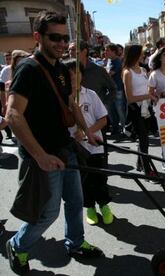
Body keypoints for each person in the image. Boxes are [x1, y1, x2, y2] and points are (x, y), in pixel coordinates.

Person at [5, 11, 103, 275]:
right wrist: (39, 156)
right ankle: (17, 245)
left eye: (64, 37)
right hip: (43, 155)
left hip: (65, 147)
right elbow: (13, 114)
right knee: (48, 213)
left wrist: (87, 130)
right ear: (38, 37)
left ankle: (75, 242)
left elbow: (71, 104)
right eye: (54, 38)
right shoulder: (29, 69)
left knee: (75, 200)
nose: (61, 43)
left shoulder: (60, 68)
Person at [64, 59, 113, 225]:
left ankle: (104, 206)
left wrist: (87, 131)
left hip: (94, 145)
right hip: (75, 149)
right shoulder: (62, 98)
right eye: (68, 74)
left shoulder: (90, 94)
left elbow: (103, 119)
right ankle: (90, 208)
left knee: (99, 179)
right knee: (83, 182)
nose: (72, 77)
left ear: (81, 76)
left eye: (75, 73)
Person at [122, 44, 157, 175]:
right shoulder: (127, 72)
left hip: (146, 108)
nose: (144, 55)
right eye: (142, 53)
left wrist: (153, 95)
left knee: (144, 139)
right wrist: (148, 95)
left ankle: (140, 164)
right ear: (135, 55)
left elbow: (147, 88)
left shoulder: (143, 70)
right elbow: (130, 98)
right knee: (144, 140)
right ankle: (147, 170)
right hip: (135, 110)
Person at [105, 43, 126, 137]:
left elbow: (109, 74)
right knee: (111, 111)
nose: (105, 52)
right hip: (110, 90)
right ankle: (115, 129)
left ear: (113, 51)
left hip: (117, 89)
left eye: (107, 50)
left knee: (120, 110)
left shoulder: (117, 61)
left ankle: (125, 129)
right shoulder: (109, 60)